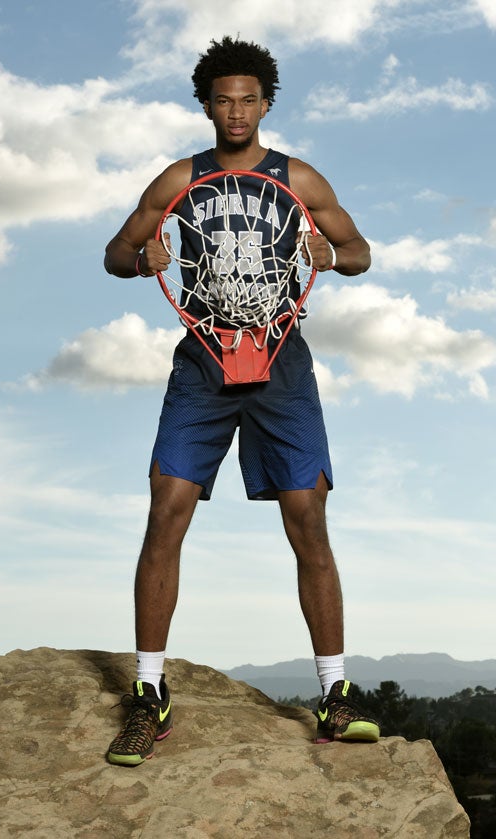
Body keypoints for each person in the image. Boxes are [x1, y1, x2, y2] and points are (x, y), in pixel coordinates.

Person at [104, 36, 379, 766]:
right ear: (206, 104)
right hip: (203, 358)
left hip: (281, 358)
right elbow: (114, 253)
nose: (235, 111)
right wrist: (143, 260)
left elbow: (361, 252)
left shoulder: (299, 178)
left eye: (248, 100)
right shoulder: (178, 180)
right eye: (222, 100)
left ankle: (333, 694)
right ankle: (148, 693)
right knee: (167, 507)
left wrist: (328, 255)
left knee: (307, 517)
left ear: (265, 104)